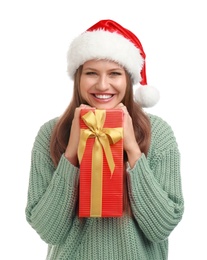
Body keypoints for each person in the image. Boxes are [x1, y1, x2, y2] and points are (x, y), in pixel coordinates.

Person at [25, 19, 184, 260]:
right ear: (78, 78)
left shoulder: (158, 133)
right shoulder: (51, 133)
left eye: (114, 74)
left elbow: (161, 227)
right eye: (91, 73)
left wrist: (132, 149)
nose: (102, 84)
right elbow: (49, 231)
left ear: (128, 80)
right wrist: (70, 154)